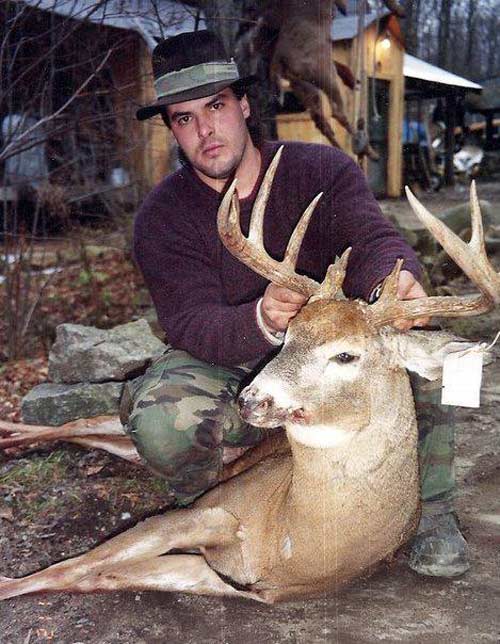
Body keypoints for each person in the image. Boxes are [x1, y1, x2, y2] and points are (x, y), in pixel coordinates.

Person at [125, 30, 469, 578]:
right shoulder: (161, 218)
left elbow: (373, 238)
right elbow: (189, 323)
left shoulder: (321, 171)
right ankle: (212, 494)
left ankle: (434, 508)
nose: (205, 130)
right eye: (184, 118)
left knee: (450, 361)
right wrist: (260, 317)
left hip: (331, 356)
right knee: (165, 420)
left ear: (243, 104)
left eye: (215, 106)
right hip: (233, 361)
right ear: (172, 130)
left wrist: (397, 280)